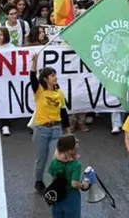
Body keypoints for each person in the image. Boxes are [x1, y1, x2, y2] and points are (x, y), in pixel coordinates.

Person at [30, 51, 68, 194]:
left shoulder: (60, 94)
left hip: (56, 129)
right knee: (42, 159)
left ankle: (55, 184)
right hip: (41, 130)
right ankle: (39, 181)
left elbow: (63, 112)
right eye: (52, 75)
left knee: (55, 158)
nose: (55, 77)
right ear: (46, 79)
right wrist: (34, 62)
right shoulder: (39, 91)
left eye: (55, 75)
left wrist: (68, 130)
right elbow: (32, 78)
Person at [48, 134, 90, 218]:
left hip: (57, 194)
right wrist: (84, 184)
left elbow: (52, 173)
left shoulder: (55, 162)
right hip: (71, 197)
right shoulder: (76, 164)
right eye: (76, 142)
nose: (78, 142)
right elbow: (74, 184)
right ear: (71, 149)